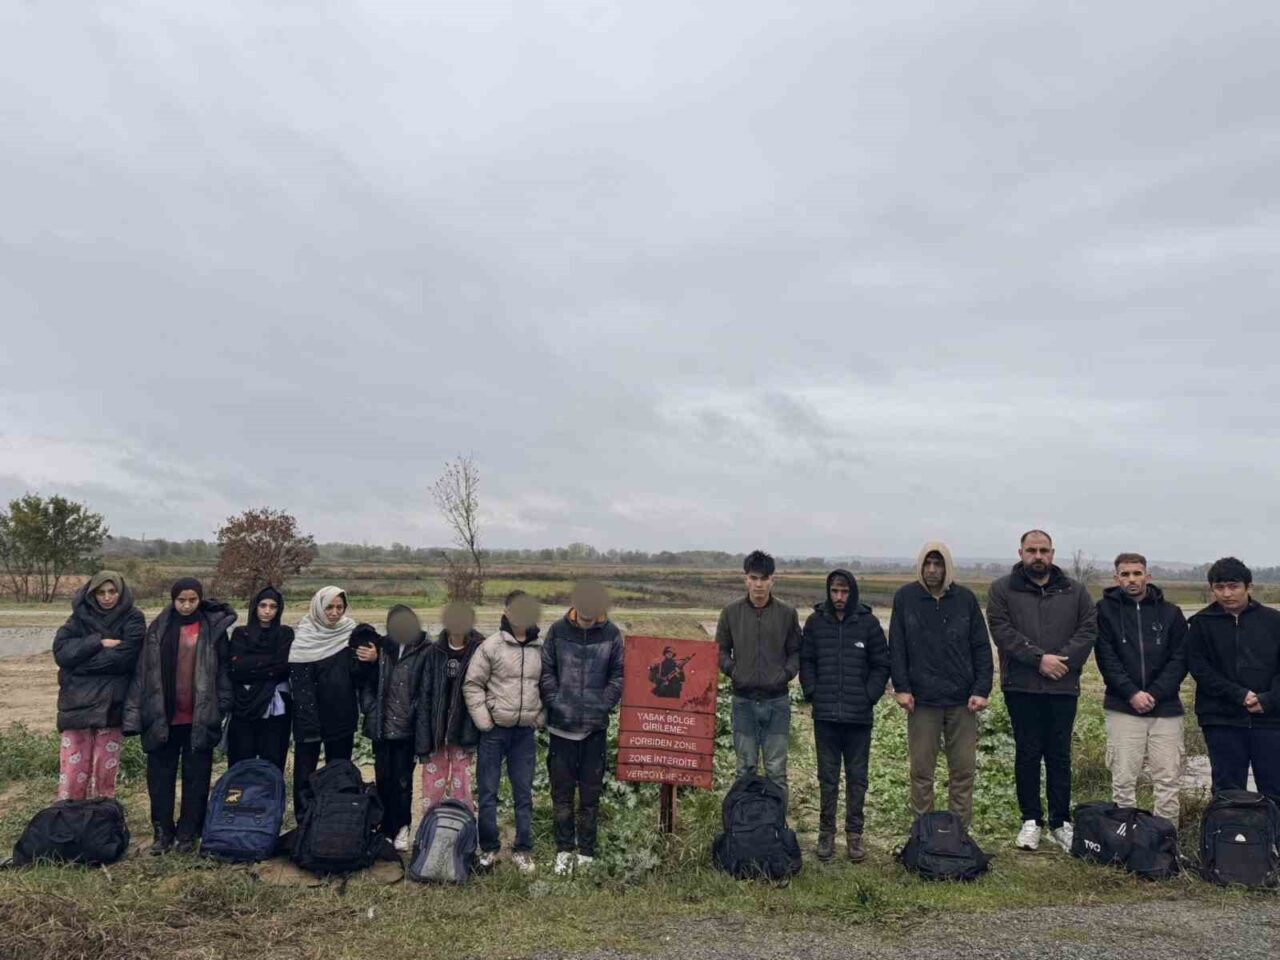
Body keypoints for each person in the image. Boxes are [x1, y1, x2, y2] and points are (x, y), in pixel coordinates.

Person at [987, 530, 1097, 853]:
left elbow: (1088, 629)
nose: (1038, 556)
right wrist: (1039, 660)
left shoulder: (1074, 592)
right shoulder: (1001, 590)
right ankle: (1031, 820)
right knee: (1028, 752)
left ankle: (1060, 823)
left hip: (1063, 687)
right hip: (1021, 686)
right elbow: (1001, 631)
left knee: (1060, 755)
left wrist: (1059, 661)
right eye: (1032, 550)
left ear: (1053, 553)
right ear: (1020, 552)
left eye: (1044, 550)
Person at [124, 578, 236, 854]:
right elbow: (143, 674)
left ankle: (188, 833)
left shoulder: (213, 631)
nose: (187, 605)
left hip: (199, 718)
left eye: (192, 600)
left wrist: (221, 705)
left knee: (196, 777)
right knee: (160, 779)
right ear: (173, 600)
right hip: (163, 717)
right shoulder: (158, 629)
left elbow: (223, 672)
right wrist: (134, 714)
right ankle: (162, 832)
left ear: (200, 600)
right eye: (181, 600)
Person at [889, 542, 993, 828]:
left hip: (962, 701)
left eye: (938, 564)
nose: (932, 570)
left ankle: (958, 833)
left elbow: (981, 647)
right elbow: (897, 647)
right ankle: (923, 832)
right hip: (922, 702)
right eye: (928, 563)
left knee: (962, 771)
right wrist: (902, 687)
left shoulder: (966, 600)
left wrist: (981, 689)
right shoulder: (906, 598)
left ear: (948, 567)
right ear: (920, 566)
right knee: (922, 771)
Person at [800, 568, 890, 862]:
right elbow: (807, 660)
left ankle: (854, 836)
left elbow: (881, 664)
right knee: (827, 778)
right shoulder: (816, 623)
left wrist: (868, 696)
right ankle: (826, 834)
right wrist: (812, 691)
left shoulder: (868, 624)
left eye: (844, 592)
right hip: (825, 716)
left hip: (858, 718)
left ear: (852, 593)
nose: (839, 597)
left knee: (857, 778)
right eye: (835, 592)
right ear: (828, 592)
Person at [1093, 553, 1188, 821]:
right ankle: (1126, 841)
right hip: (1123, 707)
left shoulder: (1171, 613)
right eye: (1125, 574)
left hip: (1166, 709)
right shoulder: (1103, 611)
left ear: (1148, 576)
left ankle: (1165, 842)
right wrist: (1132, 693)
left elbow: (1180, 659)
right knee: (1123, 780)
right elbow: (1106, 658)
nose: (1132, 579)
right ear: (1116, 578)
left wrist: (1155, 693)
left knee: (1168, 780)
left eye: (1137, 573)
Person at [541, 580, 625, 875]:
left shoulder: (613, 635)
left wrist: (601, 705)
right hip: (560, 728)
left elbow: (618, 677)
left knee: (590, 795)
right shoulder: (557, 631)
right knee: (561, 794)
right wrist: (556, 702)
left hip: (594, 729)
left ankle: (586, 851)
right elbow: (547, 672)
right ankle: (564, 849)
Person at [1186, 557, 1280, 802]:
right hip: (1221, 718)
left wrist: (1268, 700)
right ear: (1212, 589)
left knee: (1274, 789)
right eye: (1220, 587)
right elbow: (1199, 668)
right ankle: (1230, 840)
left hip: (1270, 719)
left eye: (1233, 586)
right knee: (1228, 792)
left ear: (1248, 587)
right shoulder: (1200, 624)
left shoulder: (1274, 621)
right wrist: (1239, 695)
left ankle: (1273, 840)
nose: (1227, 593)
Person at [464, 590, 544, 873]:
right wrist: (485, 721)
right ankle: (488, 848)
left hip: (524, 734)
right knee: (487, 792)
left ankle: (523, 849)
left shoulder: (539, 648)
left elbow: (547, 686)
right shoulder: (491, 646)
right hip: (495, 731)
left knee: (523, 793)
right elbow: (472, 684)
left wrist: (539, 717)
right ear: (507, 612)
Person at [52, 570, 145, 801]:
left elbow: (126, 657)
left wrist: (79, 666)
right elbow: (62, 653)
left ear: (120, 592)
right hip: (76, 706)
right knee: (73, 772)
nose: (107, 597)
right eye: (101, 592)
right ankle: (69, 818)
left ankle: (100, 820)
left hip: (111, 705)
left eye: (112, 591)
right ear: (92, 594)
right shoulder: (78, 618)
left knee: (104, 771)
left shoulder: (133, 619)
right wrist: (97, 642)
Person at [717, 550, 802, 802]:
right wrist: (734, 671)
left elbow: (796, 651)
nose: (759, 584)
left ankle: (777, 830)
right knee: (745, 770)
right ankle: (744, 830)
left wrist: (784, 674)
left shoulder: (787, 613)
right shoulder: (731, 613)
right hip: (743, 702)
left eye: (764, 578)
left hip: (777, 703)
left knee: (777, 772)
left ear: (772, 580)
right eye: (754, 578)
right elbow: (719, 650)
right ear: (745, 579)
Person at [288, 586, 379, 818]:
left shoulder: (349, 633)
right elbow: (299, 684)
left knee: (339, 772)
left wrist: (371, 660)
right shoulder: (304, 636)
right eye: (329, 607)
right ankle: (304, 821)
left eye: (340, 607)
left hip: (341, 716)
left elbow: (359, 676)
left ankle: (334, 822)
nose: (335, 612)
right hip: (308, 718)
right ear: (318, 607)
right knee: (304, 774)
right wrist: (308, 720)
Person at [360, 605, 431, 851]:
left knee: (402, 782)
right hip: (381, 726)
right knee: (382, 779)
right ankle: (384, 829)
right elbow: (367, 684)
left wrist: (415, 712)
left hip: (407, 729)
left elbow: (426, 690)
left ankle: (402, 828)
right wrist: (370, 708)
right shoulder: (382, 649)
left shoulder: (424, 650)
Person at [418, 601, 484, 816]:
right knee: (431, 786)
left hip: (464, 730)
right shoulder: (433, 652)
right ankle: (429, 831)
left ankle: (461, 830)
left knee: (462, 786)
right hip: (436, 733)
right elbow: (425, 696)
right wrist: (424, 736)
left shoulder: (481, 650)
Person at [220, 585, 294, 771]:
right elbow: (236, 668)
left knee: (272, 761)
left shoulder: (285, 633)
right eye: (263, 605)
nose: (267, 611)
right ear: (255, 607)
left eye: (273, 606)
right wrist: (270, 664)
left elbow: (283, 667)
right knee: (241, 761)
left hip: (276, 710)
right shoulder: (240, 633)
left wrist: (251, 664)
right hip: (244, 706)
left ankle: (270, 799)